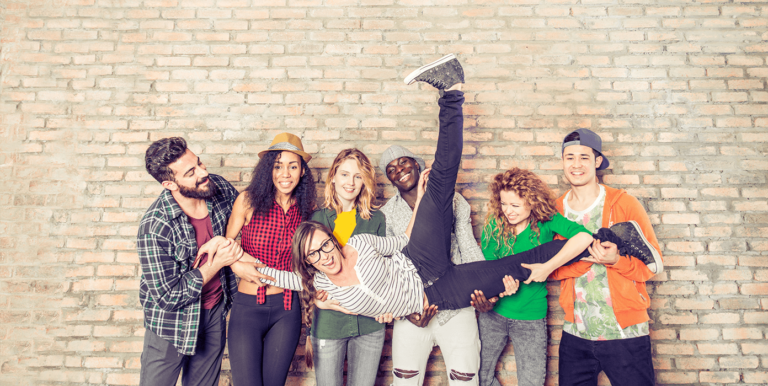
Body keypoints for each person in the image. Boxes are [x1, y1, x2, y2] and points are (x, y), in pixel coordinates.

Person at [245, 56, 657, 320]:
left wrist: (426, 203)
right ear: (309, 263)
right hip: (440, 293)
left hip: (418, 261)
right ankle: (609, 237)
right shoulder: (320, 284)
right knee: (525, 269)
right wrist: (232, 260)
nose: (324, 255)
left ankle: (451, 92)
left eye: (325, 246)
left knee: (440, 184)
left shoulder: (360, 245)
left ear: (335, 243)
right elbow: (275, 275)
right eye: (314, 254)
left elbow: (403, 242)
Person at [380, 141, 516, 385]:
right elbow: (390, 267)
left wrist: (487, 290)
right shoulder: (387, 215)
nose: (399, 169)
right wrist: (405, 311)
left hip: (457, 305)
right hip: (413, 309)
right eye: (391, 169)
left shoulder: (453, 200)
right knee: (404, 380)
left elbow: (468, 247)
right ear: (389, 179)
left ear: (417, 165)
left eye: (403, 162)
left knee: (465, 378)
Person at [551, 128, 663, 386]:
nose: (576, 165)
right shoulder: (555, 211)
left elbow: (652, 265)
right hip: (576, 333)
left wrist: (616, 261)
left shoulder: (624, 203)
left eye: (584, 157)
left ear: (597, 161)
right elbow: (549, 269)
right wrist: (582, 260)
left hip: (627, 334)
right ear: (563, 161)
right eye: (569, 157)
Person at [137, 137, 241, 386]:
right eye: (191, 172)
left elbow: (246, 221)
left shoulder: (219, 189)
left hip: (214, 314)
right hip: (170, 326)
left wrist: (223, 240)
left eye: (199, 163)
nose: (204, 173)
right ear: (169, 183)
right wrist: (215, 264)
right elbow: (168, 296)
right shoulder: (155, 226)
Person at [477, 168, 594, 386]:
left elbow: (584, 237)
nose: (508, 211)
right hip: (493, 315)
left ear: (532, 202)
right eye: (503, 204)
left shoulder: (547, 221)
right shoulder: (494, 224)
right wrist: (499, 290)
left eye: (515, 205)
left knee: (532, 383)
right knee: (479, 378)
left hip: (531, 317)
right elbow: (489, 269)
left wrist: (547, 267)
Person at [222, 133, 316, 386]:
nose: (285, 173)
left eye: (293, 166)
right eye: (278, 166)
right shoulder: (247, 200)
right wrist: (236, 264)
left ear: (302, 172)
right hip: (247, 308)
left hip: (287, 310)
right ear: (268, 170)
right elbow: (224, 247)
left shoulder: (307, 209)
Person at [308, 148, 388, 385]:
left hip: (369, 324)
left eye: (358, 176)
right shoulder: (316, 219)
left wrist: (386, 303)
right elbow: (304, 271)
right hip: (328, 324)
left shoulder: (376, 220)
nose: (350, 182)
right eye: (344, 174)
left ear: (365, 181)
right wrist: (314, 298)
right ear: (333, 176)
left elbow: (384, 271)